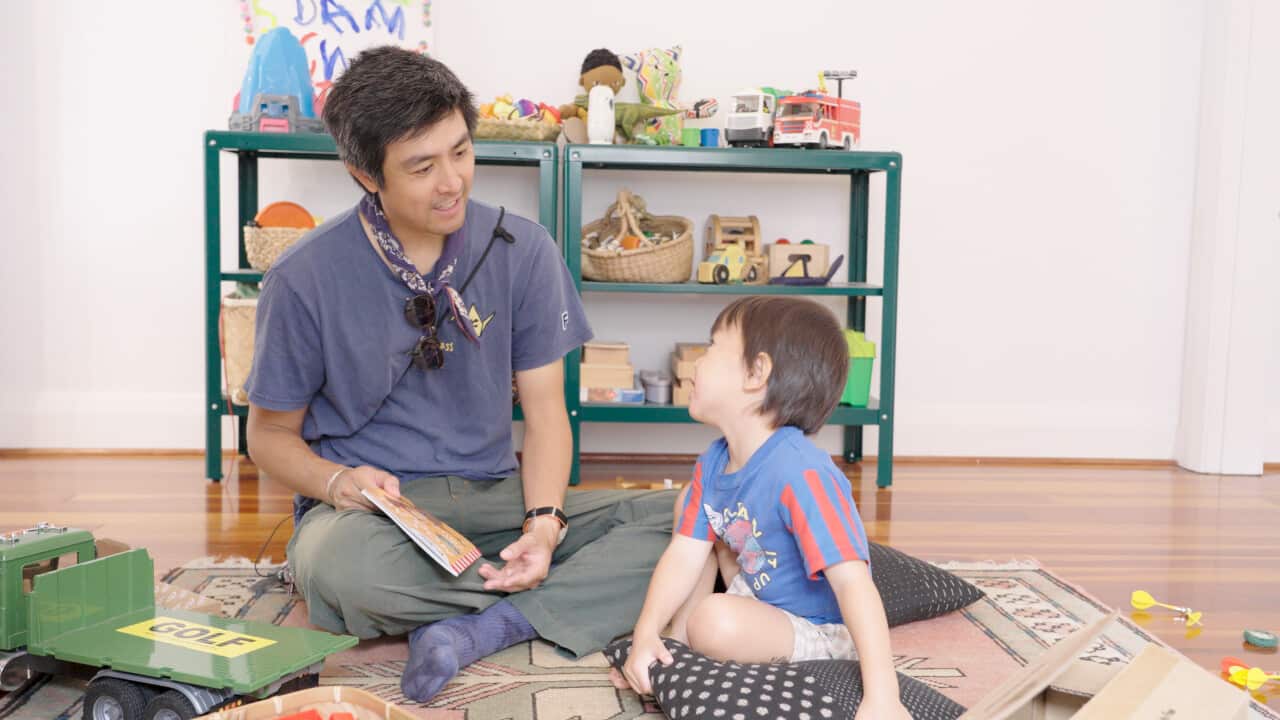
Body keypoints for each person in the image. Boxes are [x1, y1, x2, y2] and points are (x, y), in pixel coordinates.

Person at [244, 47, 674, 703]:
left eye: (461, 152)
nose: (453, 182)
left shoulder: (523, 249)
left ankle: (487, 622)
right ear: (366, 174)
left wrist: (544, 524)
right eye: (422, 166)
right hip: (374, 518)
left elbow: (547, 412)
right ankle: (545, 597)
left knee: (690, 518)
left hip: (496, 501)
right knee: (341, 570)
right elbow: (269, 435)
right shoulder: (302, 277)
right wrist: (337, 483)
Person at [613, 297, 910, 719]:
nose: (696, 363)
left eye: (711, 347)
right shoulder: (713, 462)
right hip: (757, 591)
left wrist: (883, 696)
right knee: (690, 508)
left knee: (714, 622)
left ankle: (693, 639)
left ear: (756, 373)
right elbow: (683, 555)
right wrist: (647, 636)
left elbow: (852, 584)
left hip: (818, 629)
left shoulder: (804, 473)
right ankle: (674, 645)